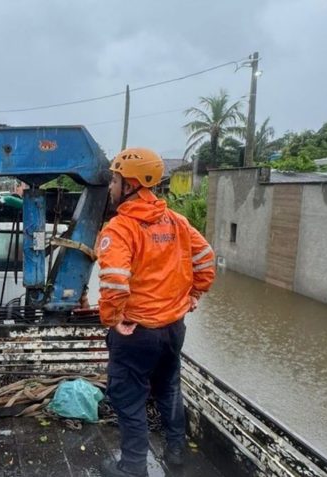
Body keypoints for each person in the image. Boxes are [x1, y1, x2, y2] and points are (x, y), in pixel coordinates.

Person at [97, 148, 216, 476]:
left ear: (131, 184)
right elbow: (206, 259)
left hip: (137, 333)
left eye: (115, 180)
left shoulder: (121, 228)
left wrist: (112, 318)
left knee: (128, 397)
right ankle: (176, 450)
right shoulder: (177, 221)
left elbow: (114, 281)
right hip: (173, 329)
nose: (111, 187)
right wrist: (195, 293)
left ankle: (133, 467)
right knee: (168, 387)